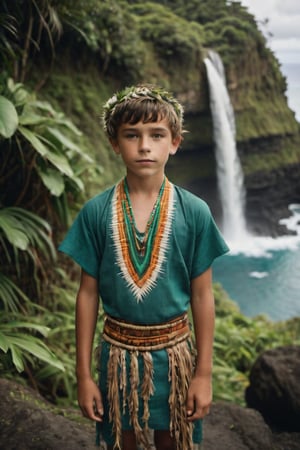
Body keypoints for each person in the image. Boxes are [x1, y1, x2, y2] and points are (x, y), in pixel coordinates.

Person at [59, 84, 229, 450]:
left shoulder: (195, 212)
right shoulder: (96, 212)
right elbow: (87, 295)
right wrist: (84, 376)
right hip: (115, 357)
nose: (145, 146)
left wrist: (203, 375)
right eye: (132, 135)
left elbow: (202, 296)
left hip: (176, 358)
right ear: (114, 143)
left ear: (175, 142)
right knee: (122, 441)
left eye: (157, 135)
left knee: (174, 440)